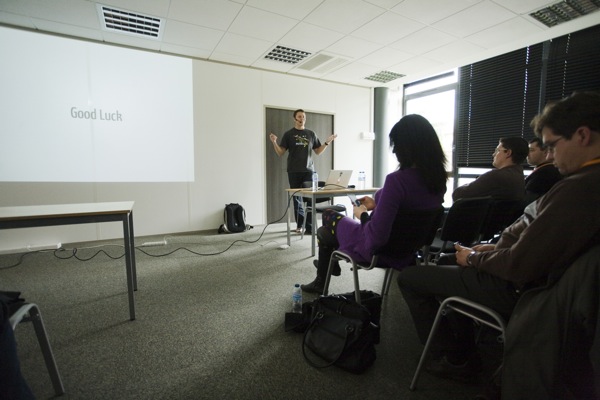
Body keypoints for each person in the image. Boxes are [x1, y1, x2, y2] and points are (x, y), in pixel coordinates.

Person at [397, 91, 600, 398]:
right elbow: (543, 244)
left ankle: (452, 358)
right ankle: (463, 348)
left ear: (582, 136)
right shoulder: (573, 182)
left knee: (410, 277)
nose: (549, 155)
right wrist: (495, 249)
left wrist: (474, 259)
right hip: (523, 273)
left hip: (517, 286)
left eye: (552, 145)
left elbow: (520, 264)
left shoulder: (578, 190)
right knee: (445, 262)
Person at [301, 114, 447, 293]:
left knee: (328, 218)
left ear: (408, 147)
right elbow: (408, 212)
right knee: (325, 233)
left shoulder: (396, 181)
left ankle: (324, 274)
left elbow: (376, 238)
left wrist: (362, 214)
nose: (394, 151)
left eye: (396, 145)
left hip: (376, 250)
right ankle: (328, 265)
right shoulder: (438, 181)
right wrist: (379, 203)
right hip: (408, 251)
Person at [269, 109, 337, 234]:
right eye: (299, 116)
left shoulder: (311, 134)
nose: (302, 119)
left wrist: (327, 142)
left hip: (309, 171)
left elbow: (318, 151)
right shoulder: (288, 134)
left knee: (310, 199)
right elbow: (280, 152)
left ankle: (309, 228)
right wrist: (274, 142)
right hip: (293, 171)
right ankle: (300, 225)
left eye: (304, 117)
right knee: (297, 199)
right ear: (294, 119)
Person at [452, 137, 528, 202]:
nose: (493, 154)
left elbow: (457, 195)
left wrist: (472, 182)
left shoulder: (496, 176)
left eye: (497, 150)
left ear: (508, 153)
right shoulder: (519, 175)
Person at [523, 137, 562, 205]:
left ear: (545, 152)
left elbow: (527, 201)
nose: (527, 154)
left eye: (531, 150)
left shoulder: (545, 174)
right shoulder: (543, 170)